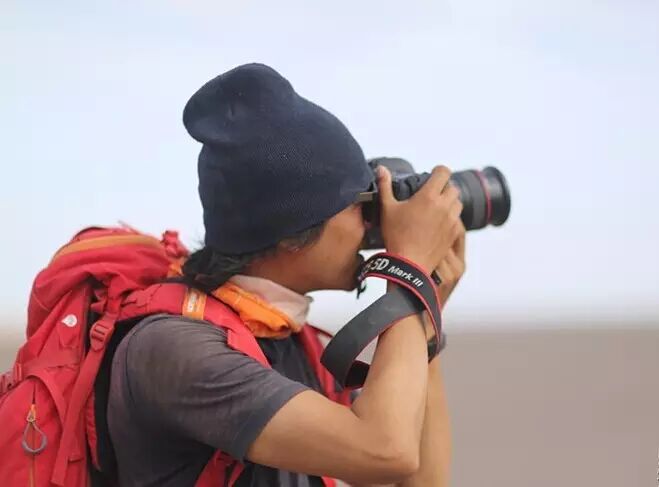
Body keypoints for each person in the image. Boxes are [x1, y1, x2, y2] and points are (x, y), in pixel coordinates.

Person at [106, 63, 466, 487]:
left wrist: (423, 315)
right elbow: (385, 450)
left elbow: (421, 480)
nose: (374, 224)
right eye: (361, 204)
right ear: (292, 235)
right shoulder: (178, 349)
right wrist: (409, 273)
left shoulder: (285, 337)